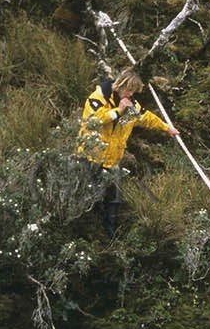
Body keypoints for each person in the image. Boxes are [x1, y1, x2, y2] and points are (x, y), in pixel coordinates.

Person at [76, 67, 180, 235]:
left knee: (114, 200)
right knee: (90, 198)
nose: (131, 94)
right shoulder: (98, 98)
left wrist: (167, 128)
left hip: (113, 161)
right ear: (121, 85)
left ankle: (111, 237)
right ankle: (88, 236)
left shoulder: (131, 105)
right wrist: (119, 111)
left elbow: (146, 118)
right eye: (130, 90)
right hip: (91, 158)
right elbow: (95, 119)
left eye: (134, 91)